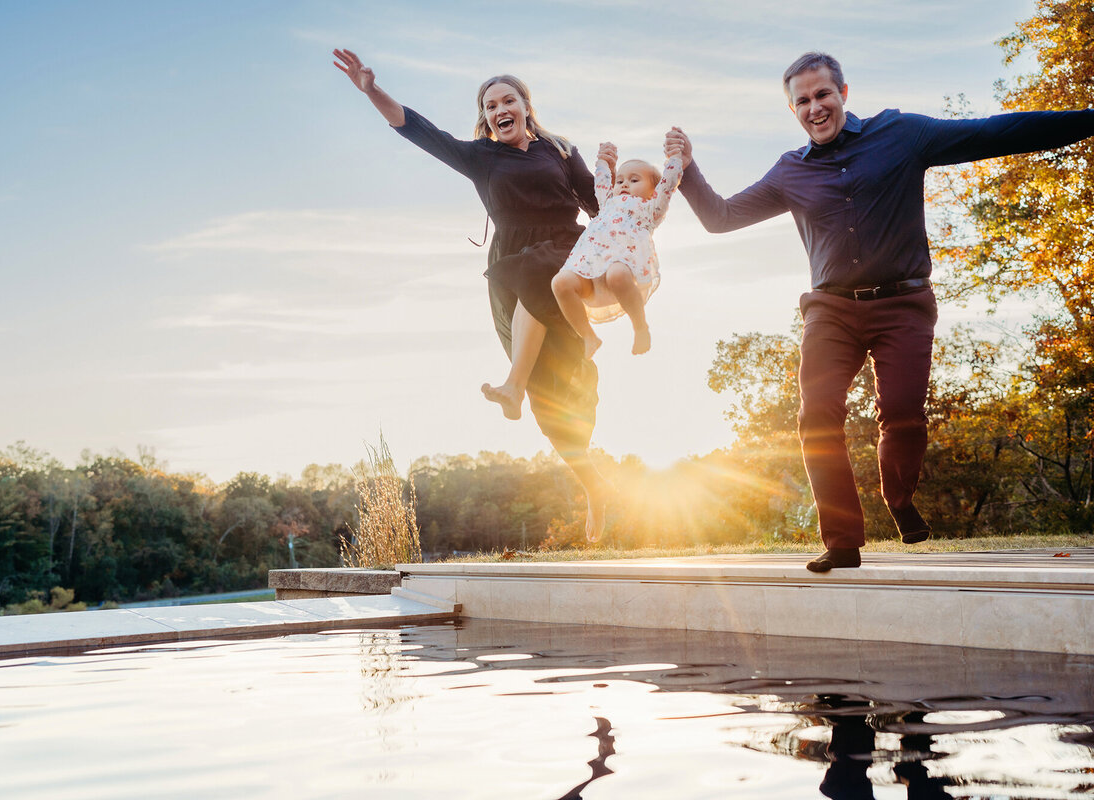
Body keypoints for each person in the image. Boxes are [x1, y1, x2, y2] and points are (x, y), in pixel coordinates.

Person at [664, 51, 1094, 572]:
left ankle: (899, 498)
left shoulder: (901, 135)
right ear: (793, 110)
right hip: (831, 311)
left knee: (904, 416)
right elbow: (721, 218)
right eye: (801, 101)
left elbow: (992, 132)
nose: (814, 108)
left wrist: (1086, 119)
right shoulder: (790, 171)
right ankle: (843, 541)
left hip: (903, 305)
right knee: (815, 417)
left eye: (822, 95)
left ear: (843, 94)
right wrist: (687, 170)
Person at [332, 48, 612, 541]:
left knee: (560, 339)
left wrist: (626, 233)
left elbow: (596, 205)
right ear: (485, 118)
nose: (498, 109)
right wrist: (372, 89)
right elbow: (418, 130)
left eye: (507, 100)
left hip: (564, 254)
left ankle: (511, 386)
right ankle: (593, 488)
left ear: (526, 105)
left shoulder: (562, 150)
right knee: (553, 399)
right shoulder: (480, 157)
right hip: (511, 266)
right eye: (489, 105)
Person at [551, 145, 683, 359]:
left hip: (621, 263)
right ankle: (588, 336)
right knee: (559, 283)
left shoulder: (651, 209)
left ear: (652, 191)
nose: (624, 185)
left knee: (617, 275)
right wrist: (604, 162)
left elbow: (668, 184)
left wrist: (674, 159)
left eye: (634, 180)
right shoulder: (607, 204)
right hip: (590, 265)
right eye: (620, 180)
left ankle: (640, 327)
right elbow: (602, 184)